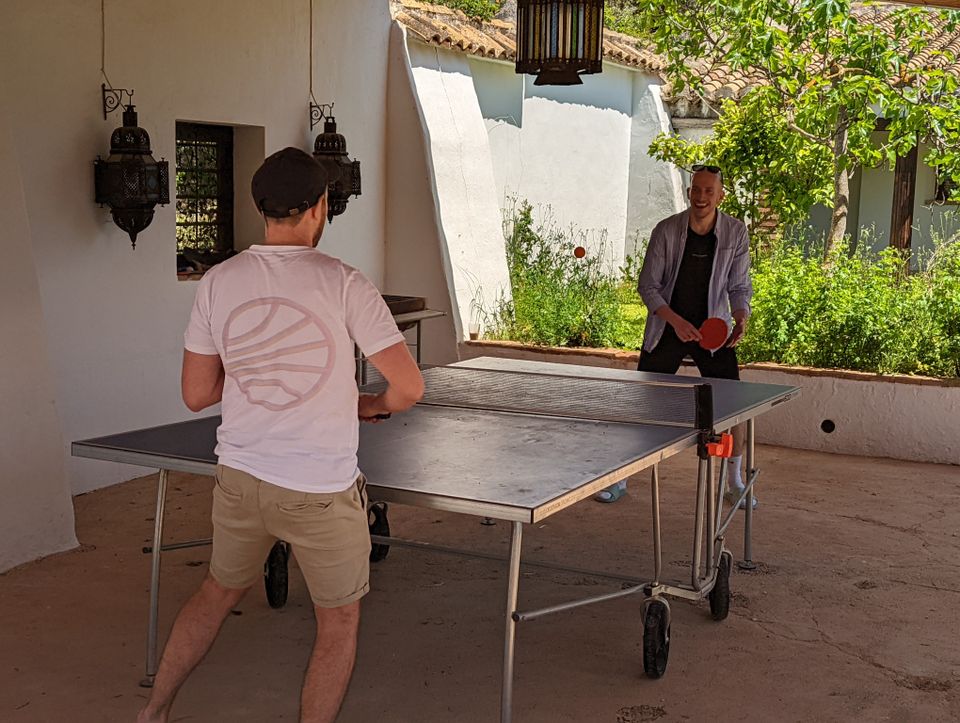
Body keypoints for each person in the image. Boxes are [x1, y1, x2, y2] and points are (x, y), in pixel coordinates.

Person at [137, 147, 424, 723]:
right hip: (320, 490)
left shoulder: (218, 282)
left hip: (241, 481)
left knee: (216, 592)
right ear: (320, 208)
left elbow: (197, 393)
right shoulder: (344, 282)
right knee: (337, 623)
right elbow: (408, 387)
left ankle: (154, 711)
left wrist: (255, 373)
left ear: (260, 208)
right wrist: (367, 404)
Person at [595, 164, 754, 508]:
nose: (701, 196)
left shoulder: (736, 233)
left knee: (735, 407)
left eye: (709, 191)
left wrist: (740, 318)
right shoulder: (666, 231)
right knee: (643, 404)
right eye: (696, 190)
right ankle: (620, 479)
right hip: (668, 327)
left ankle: (735, 482)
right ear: (688, 193)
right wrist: (675, 321)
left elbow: (740, 286)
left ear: (721, 195)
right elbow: (648, 286)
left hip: (714, 329)